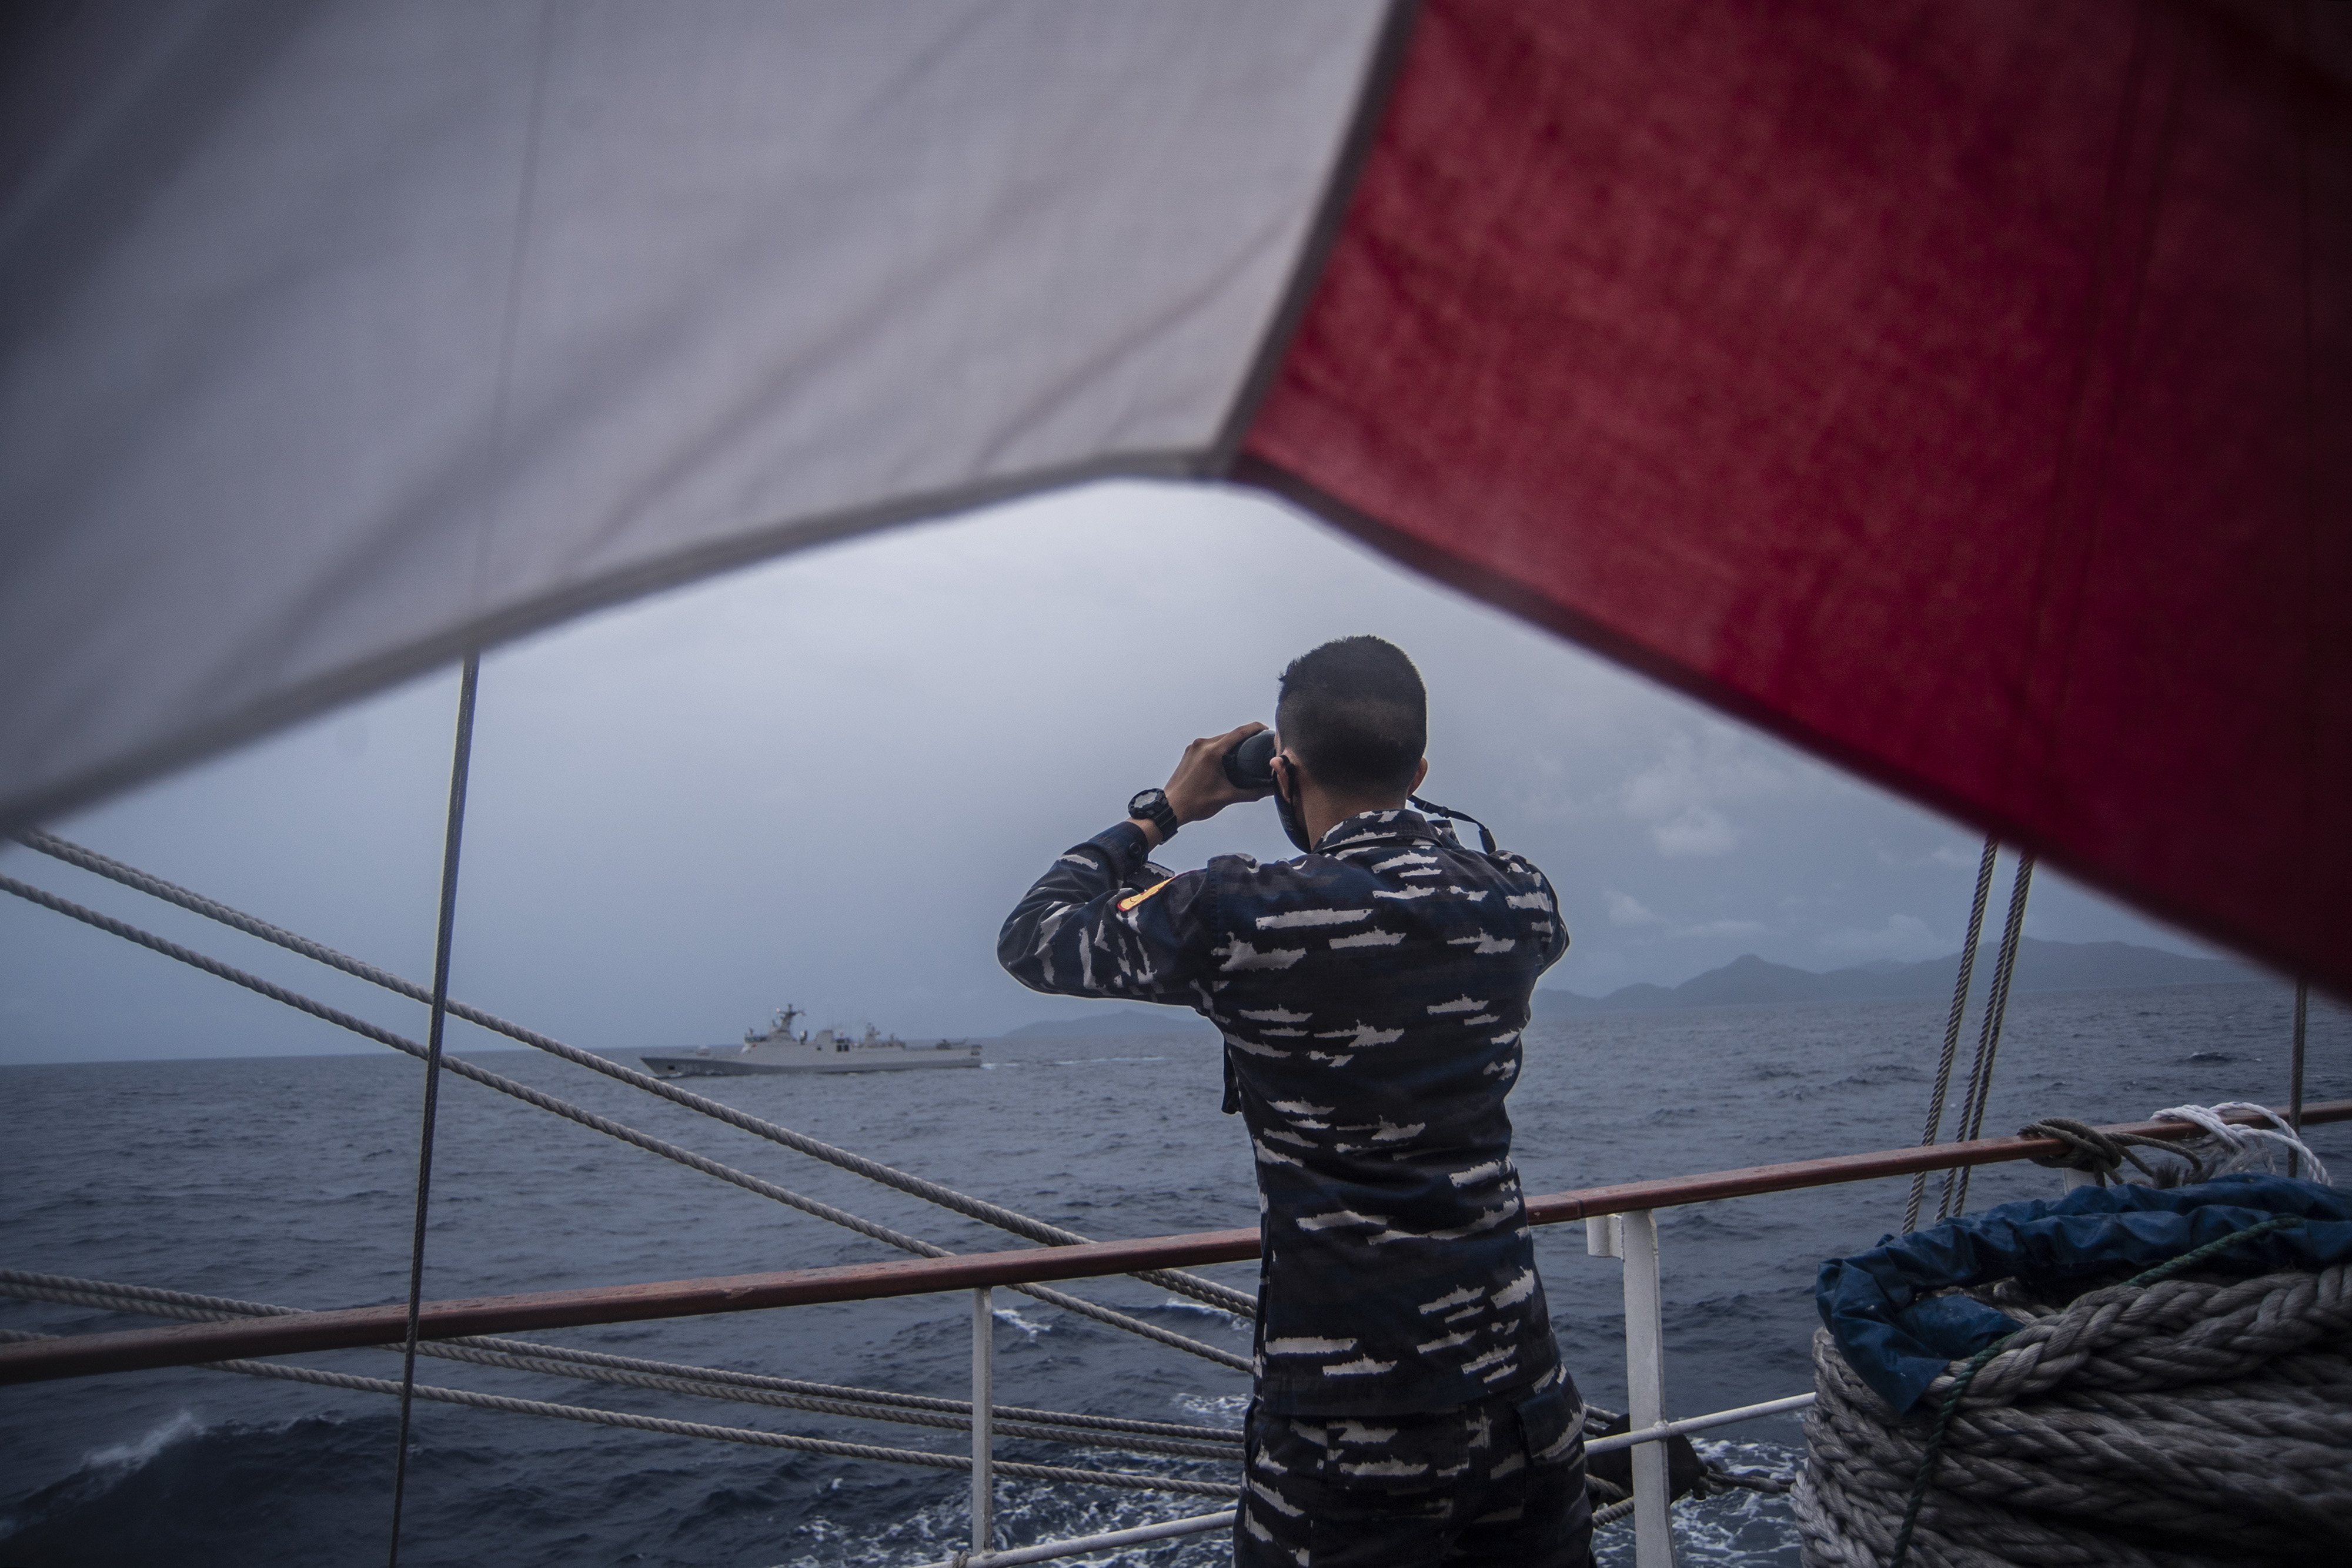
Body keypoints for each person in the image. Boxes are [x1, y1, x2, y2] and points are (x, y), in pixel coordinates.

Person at [998, 636, 1593, 1567]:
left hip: (1346, 1427)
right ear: (1422, 768)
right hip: (1524, 1397)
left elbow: (1033, 935)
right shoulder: (1519, 900)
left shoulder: (1237, 913)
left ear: (1282, 774)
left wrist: (1163, 812)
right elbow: (1439, 880)